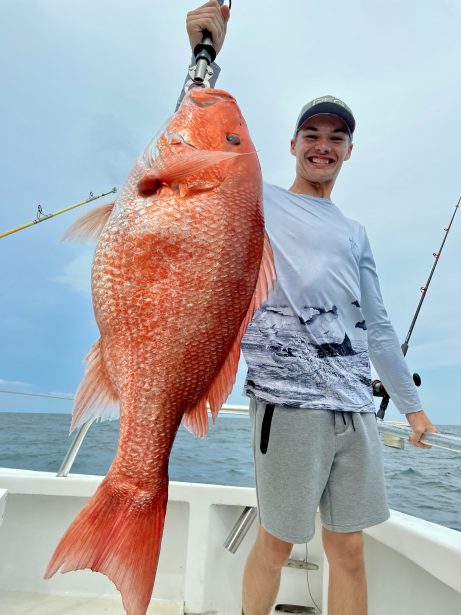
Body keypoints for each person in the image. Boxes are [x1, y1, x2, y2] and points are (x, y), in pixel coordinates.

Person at [184, 3, 438, 615]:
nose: (324, 146)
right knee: (276, 542)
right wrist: (203, 58)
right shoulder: (257, 199)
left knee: (348, 549)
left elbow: (378, 327)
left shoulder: (355, 231)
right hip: (287, 405)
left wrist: (415, 409)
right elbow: (191, 144)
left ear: (350, 150)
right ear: (293, 144)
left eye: (337, 137)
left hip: (354, 409)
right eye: (313, 135)